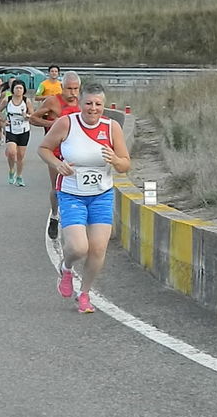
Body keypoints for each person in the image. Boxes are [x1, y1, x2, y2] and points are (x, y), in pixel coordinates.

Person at [38, 83, 130, 313]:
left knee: (98, 249)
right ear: (80, 103)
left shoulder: (112, 128)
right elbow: (44, 148)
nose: (93, 108)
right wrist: (58, 164)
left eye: (98, 104)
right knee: (79, 248)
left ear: (104, 106)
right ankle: (66, 267)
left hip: (101, 194)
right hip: (72, 194)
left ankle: (85, 294)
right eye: (88, 103)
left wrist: (116, 160)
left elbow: (125, 164)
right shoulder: (67, 124)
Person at [30, 71, 81, 240]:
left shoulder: (83, 103)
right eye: (69, 88)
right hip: (56, 151)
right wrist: (53, 124)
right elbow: (33, 119)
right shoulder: (52, 101)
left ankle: (76, 222)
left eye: (76, 89)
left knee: (79, 187)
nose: (73, 93)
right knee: (56, 187)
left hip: (77, 152)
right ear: (62, 87)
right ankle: (54, 215)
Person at [0, 80, 33, 187]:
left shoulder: (27, 101)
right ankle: (12, 170)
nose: (18, 90)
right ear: (13, 89)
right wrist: (3, 120)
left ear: (24, 90)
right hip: (11, 130)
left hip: (24, 130)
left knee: (21, 156)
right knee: (12, 152)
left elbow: (32, 114)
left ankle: (20, 176)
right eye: (17, 88)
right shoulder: (7, 100)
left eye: (21, 88)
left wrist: (27, 116)